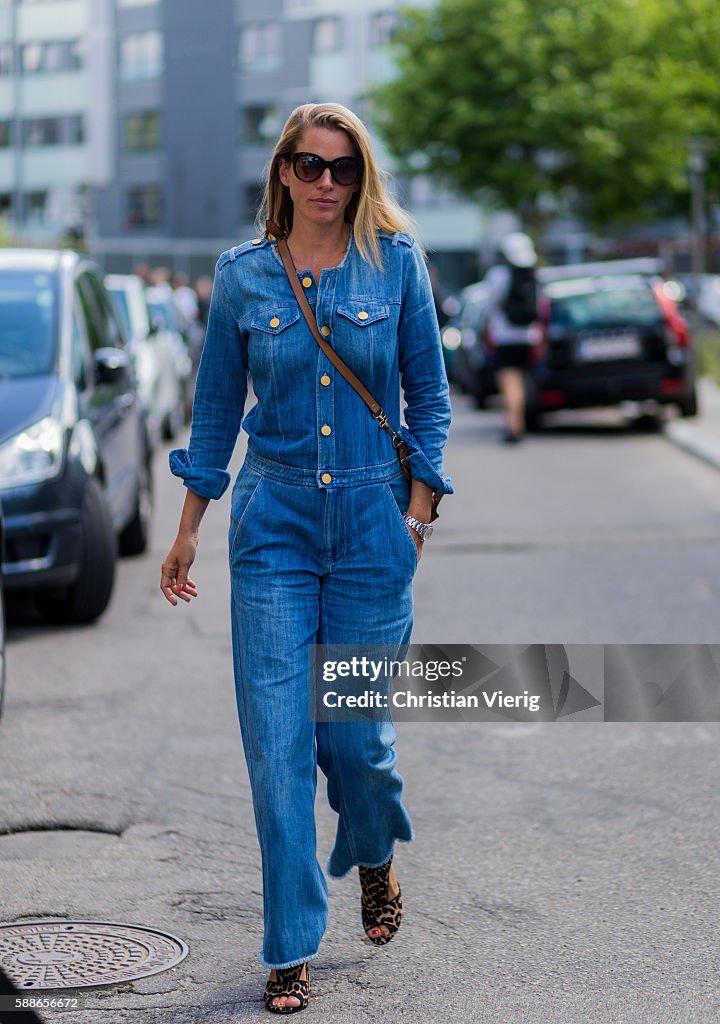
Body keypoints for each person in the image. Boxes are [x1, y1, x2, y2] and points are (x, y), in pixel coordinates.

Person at [160, 102, 452, 1014]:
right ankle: (290, 939)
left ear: (362, 178)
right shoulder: (243, 277)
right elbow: (213, 409)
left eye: (345, 169)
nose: (328, 183)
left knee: (355, 741)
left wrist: (416, 514)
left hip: (373, 523)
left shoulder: (395, 261)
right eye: (311, 165)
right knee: (278, 745)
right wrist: (188, 525)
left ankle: (374, 851)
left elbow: (429, 399)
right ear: (282, 171)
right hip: (273, 523)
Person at [484, 231, 541, 443]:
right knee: (522, 381)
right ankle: (521, 423)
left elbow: (490, 304)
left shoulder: (499, 275)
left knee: (509, 382)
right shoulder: (534, 275)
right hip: (528, 336)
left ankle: (513, 426)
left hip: (505, 337)